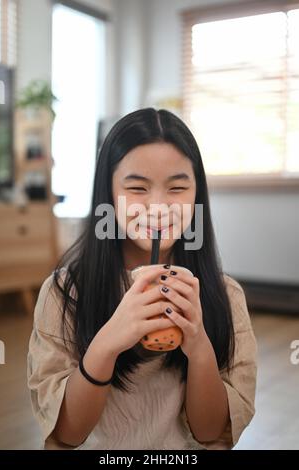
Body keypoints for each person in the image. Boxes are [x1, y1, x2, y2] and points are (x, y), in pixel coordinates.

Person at [27, 108, 257, 450]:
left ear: (197, 196)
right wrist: (109, 341)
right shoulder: (64, 293)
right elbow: (68, 434)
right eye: (137, 187)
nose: (159, 206)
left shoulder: (225, 296)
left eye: (177, 187)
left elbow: (211, 432)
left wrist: (198, 346)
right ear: (108, 192)